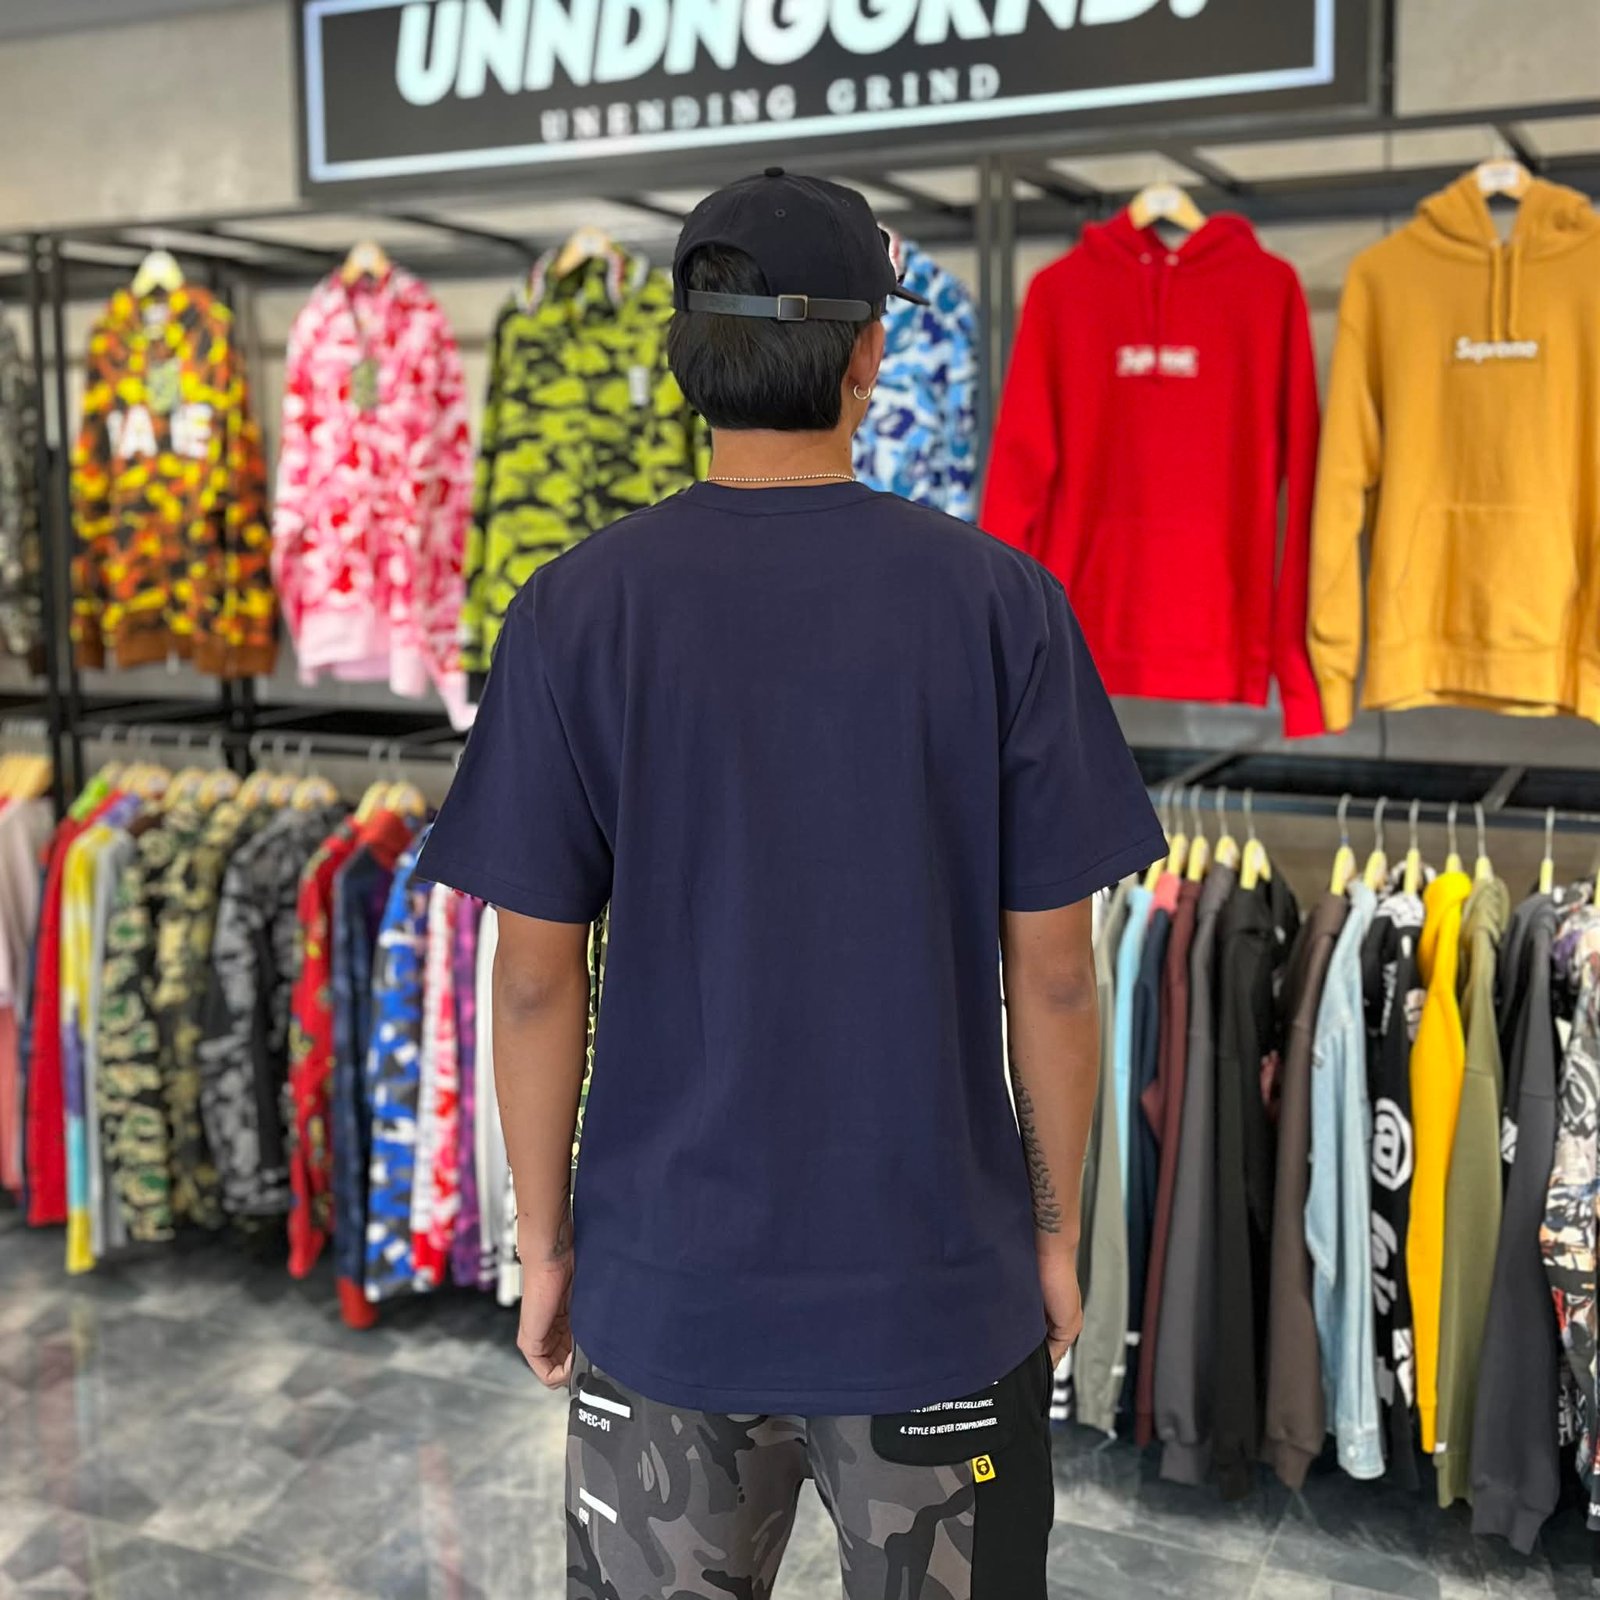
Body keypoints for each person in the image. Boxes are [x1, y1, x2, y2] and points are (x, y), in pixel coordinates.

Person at [417, 170, 1164, 1600]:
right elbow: (1058, 975)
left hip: (666, 1297)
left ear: (687, 358)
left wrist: (546, 1245)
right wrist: (1057, 1233)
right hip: (939, 1298)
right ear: (867, 353)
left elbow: (532, 980)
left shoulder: (574, 610)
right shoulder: (1001, 605)